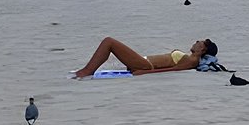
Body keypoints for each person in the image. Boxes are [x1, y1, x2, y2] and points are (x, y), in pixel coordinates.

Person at [74, 37, 218, 78]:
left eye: (201, 42)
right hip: (143, 63)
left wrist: (145, 72)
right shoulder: (190, 58)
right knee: (109, 43)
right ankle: (88, 69)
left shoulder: (192, 61)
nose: (197, 41)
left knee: (109, 42)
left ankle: (87, 71)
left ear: (203, 49)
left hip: (145, 66)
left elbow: (172, 70)